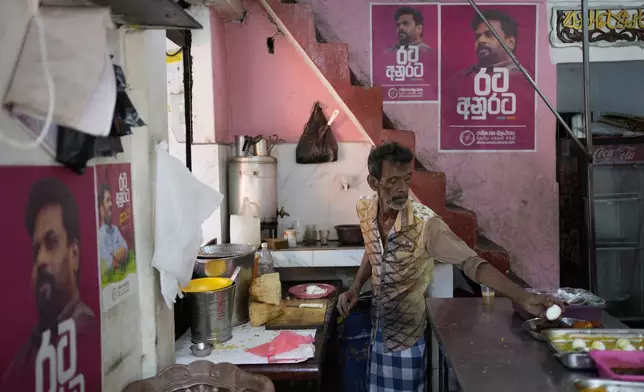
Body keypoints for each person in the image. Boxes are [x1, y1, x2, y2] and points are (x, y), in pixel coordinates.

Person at [337, 142, 563, 392]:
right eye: (392, 181)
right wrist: (356, 287)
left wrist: (522, 295)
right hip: (376, 329)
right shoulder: (366, 209)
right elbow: (374, 248)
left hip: (405, 341)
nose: (402, 189)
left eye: (407, 179)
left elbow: (471, 262)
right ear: (373, 182)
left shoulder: (426, 224)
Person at [1, 178, 99, 391]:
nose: (41, 260)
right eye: (36, 250)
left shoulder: (90, 336)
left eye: (51, 243)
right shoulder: (26, 354)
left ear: (74, 254)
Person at [98, 183, 128, 273]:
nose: (111, 204)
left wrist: (115, 256)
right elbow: (111, 265)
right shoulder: (100, 236)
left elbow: (125, 250)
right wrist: (117, 257)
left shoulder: (115, 230)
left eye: (111, 200)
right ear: (101, 208)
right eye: (107, 201)